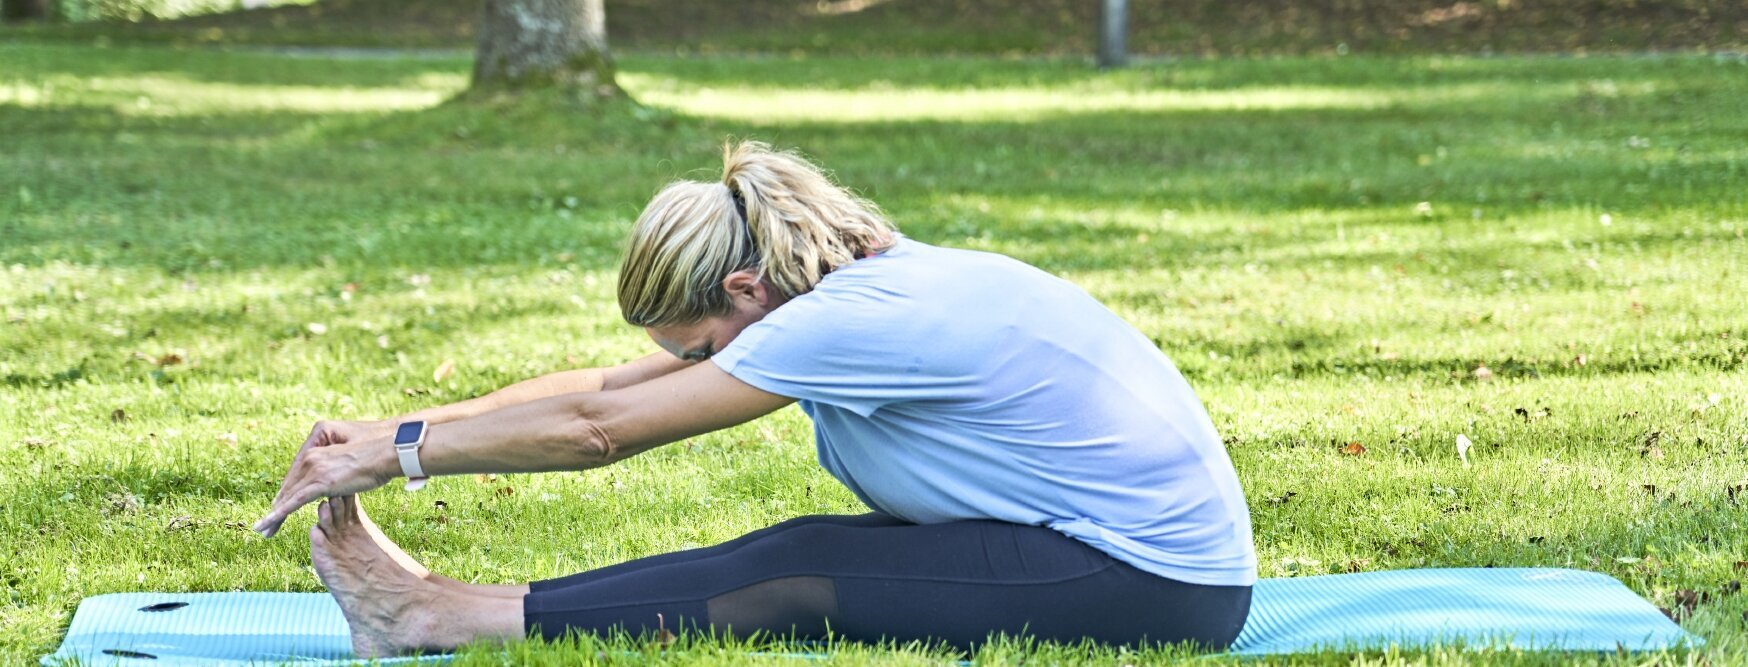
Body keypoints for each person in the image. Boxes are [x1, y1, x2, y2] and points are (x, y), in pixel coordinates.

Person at [253, 141, 1257, 658]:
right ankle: (438, 612)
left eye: (696, 348)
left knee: (794, 563)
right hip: (1103, 554)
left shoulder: (848, 320)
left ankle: (433, 617)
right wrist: (395, 432)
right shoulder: (857, 284)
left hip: (1150, 584)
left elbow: (600, 432)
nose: (691, 365)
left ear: (741, 291)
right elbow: (605, 386)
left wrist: (401, 457)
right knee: (805, 549)